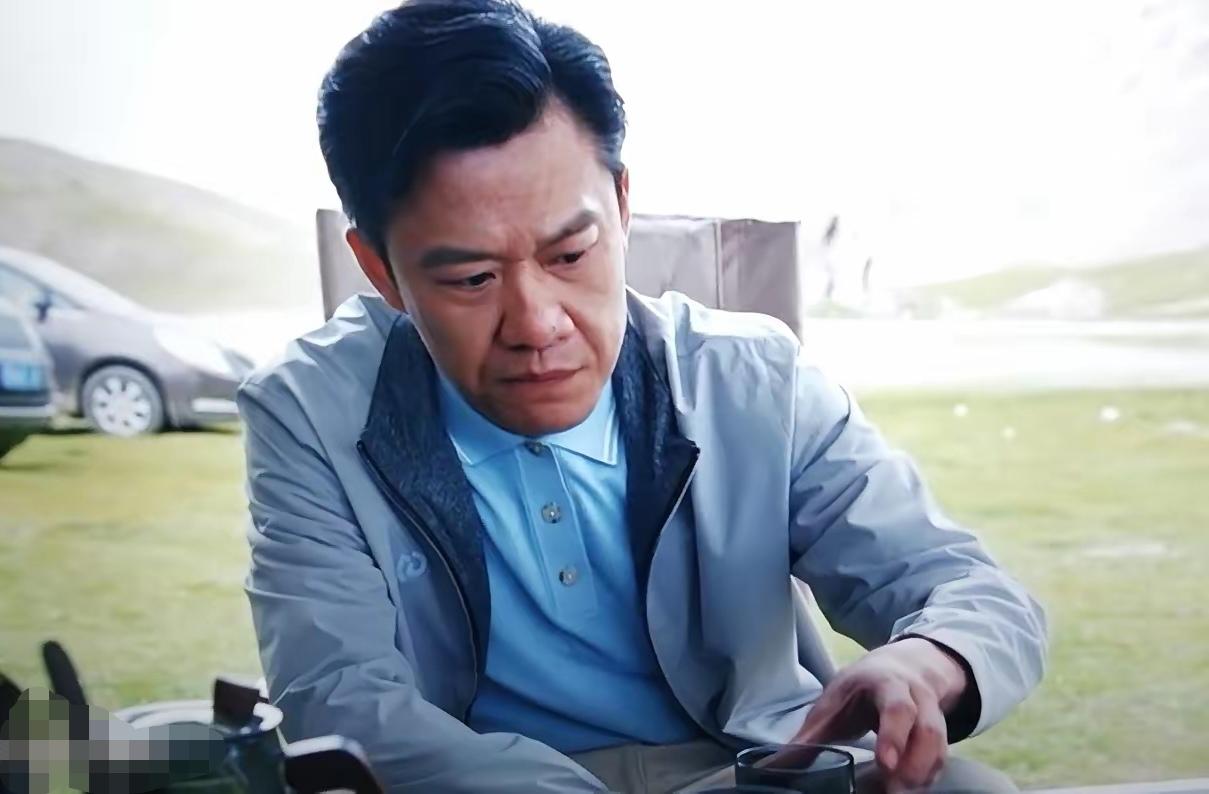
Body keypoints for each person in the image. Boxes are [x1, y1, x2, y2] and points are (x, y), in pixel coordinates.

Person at [239, 2, 1048, 791]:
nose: (537, 325)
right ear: (379, 270)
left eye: (569, 255)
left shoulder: (750, 380)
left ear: (622, 206)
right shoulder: (309, 412)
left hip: (752, 769)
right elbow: (340, 695)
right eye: (472, 278)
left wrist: (928, 660)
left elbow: (967, 590)